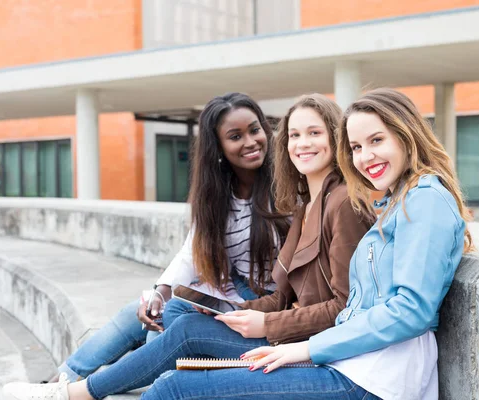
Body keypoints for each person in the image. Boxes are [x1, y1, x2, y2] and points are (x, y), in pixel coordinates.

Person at [3, 93, 374, 400]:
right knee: (169, 316)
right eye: (294, 135)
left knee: (178, 358)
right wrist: (237, 313)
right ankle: (66, 383)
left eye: (314, 133)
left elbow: (344, 307)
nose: (302, 143)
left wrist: (264, 319)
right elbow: (275, 289)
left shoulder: (330, 202)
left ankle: (74, 392)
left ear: (337, 138)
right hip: (281, 322)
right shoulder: (308, 203)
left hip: (317, 350)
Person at [139, 87, 475, 400]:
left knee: (177, 389)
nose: (364, 156)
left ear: (406, 135)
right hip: (350, 359)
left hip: (378, 378)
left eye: (376, 140)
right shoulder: (394, 202)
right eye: (356, 147)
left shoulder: (425, 199)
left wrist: (305, 349)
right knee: (176, 372)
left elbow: (411, 311)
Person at [37, 92, 290, 384]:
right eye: (235, 136)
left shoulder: (284, 187)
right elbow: (191, 252)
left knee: (172, 318)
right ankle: (63, 378)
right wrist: (160, 291)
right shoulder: (217, 195)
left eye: (255, 130)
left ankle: (100, 384)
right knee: (141, 312)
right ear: (218, 147)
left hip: (263, 304)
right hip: (230, 293)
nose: (250, 142)